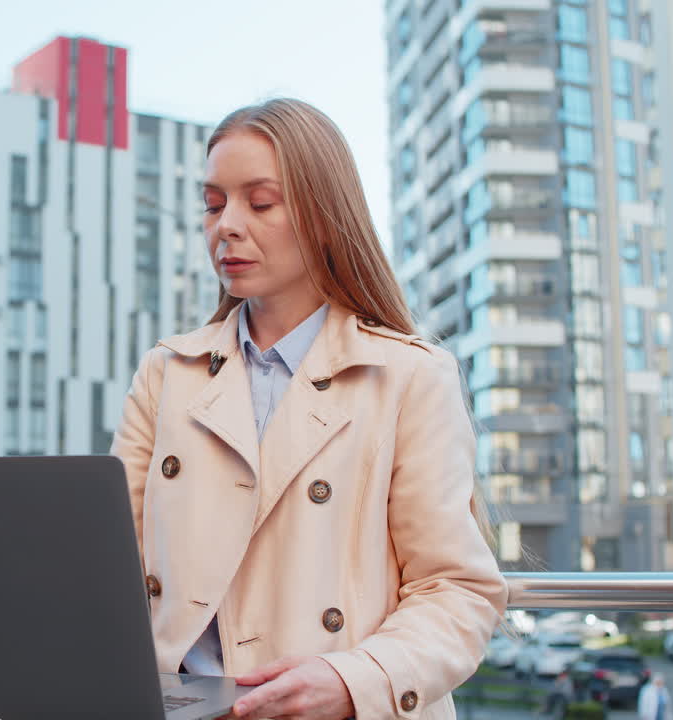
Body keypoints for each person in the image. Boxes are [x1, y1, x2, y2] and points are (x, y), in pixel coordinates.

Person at [110, 98, 508, 720]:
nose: (227, 226)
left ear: (324, 216)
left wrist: (354, 680)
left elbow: (456, 588)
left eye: (260, 202)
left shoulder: (410, 375)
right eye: (214, 205)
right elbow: (111, 570)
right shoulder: (167, 373)